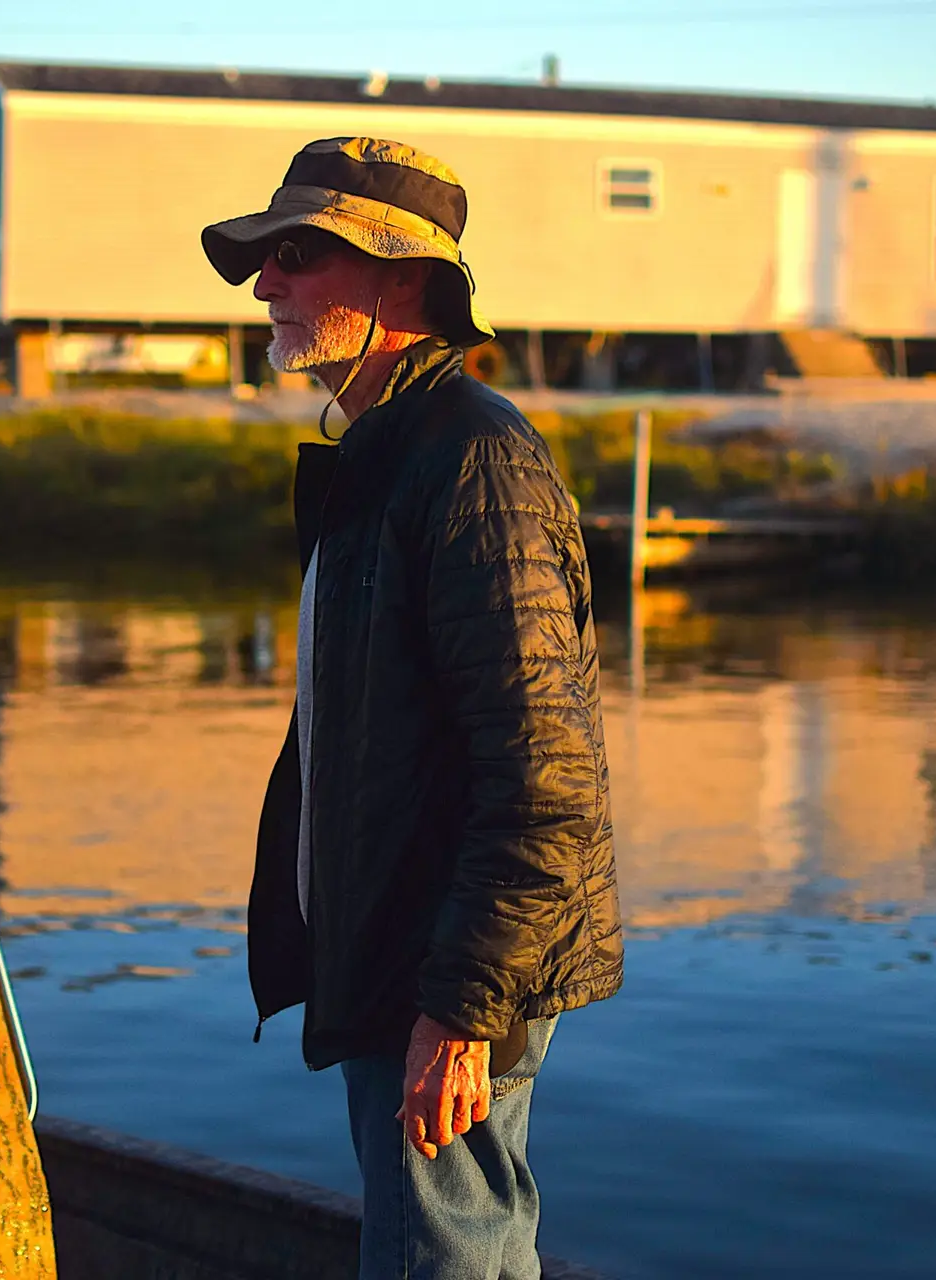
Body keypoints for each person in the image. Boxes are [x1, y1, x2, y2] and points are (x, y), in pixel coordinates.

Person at [202, 137, 623, 1280]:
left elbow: (547, 776)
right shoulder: (387, 450)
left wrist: (462, 1006)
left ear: (397, 280)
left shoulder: (471, 461)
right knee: (453, 1246)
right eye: (265, 259)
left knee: (442, 1255)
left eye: (298, 255)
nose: (265, 283)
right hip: (405, 943)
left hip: (442, 961)